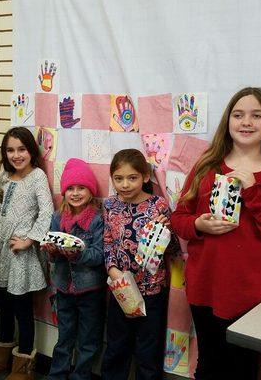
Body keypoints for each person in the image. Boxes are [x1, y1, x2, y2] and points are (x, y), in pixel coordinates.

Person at [170, 87, 261, 380]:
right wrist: (198, 226)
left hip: (253, 297)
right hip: (205, 289)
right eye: (239, 115)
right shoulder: (207, 165)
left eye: (257, 115)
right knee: (208, 366)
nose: (246, 122)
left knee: (241, 371)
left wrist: (253, 190)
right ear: (227, 121)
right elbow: (179, 218)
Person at [0, 127, 53, 380]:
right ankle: (0, 360)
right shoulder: (4, 174)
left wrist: (30, 239)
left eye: (22, 149)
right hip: (3, 253)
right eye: (10, 150)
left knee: (22, 309)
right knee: (3, 306)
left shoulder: (37, 176)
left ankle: (23, 368)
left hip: (22, 257)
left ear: (31, 150)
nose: (16, 155)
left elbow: (46, 212)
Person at [101, 149, 178, 380]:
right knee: (116, 347)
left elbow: (173, 249)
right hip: (120, 290)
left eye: (132, 178)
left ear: (145, 176)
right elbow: (107, 241)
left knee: (147, 351)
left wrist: (163, 231)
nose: (125, 184)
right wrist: (113, 270)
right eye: (119, 178)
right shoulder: (109, 205)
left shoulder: (159, 205)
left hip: (151, 290)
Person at [44, 158, 106, 380]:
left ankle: (81, 376)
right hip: (63, 288)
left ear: (91, 191)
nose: (76, 193)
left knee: (88, 341)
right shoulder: (57, 217)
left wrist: (79, 254)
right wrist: (51, 250)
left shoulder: (98, 219)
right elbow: (50, 251)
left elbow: (100, 255)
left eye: (81, 188)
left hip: (90, 290)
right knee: (64, 338)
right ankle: (57, 375)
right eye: (70, 188)